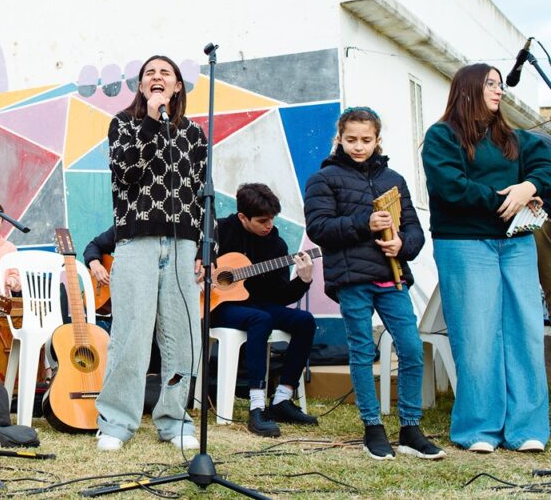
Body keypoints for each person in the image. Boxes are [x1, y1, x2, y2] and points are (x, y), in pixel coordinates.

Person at [422, 64, 551, 454]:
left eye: (499, 85)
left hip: (516, 244)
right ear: (469, 89)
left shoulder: (515, 139)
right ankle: (478, 429)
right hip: (464, 243)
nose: (499, 91)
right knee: (477, 333)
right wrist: (507, 199)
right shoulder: (442, 136)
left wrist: (529, 184)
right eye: (491, 84)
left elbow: (546, 166)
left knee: (525, 330)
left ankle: (527, 428)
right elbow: (450, 188)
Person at [304, 107, 444, 461]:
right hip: (352, 279)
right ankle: (372, 427)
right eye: (351, 140)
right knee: (362, 351)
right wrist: (363, 222)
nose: (358, 146)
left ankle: (411, 429)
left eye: (366, 140)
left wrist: (403, 245)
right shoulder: (324, 179)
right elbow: (318, 228)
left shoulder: (394, 179)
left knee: (411, 350)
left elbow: (414, 230)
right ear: (339, 138)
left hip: (392, 277)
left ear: (378, 140)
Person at [95, 55, 206, 452]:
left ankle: (175, 419)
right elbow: (126, 170)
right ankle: (116, 421)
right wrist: (151, 122)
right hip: (135, 241)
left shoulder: (195, 135)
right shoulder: (123, 125)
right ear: (141, 86)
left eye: (166, 74)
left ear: (178, 86)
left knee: (181, 337)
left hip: (182, 244)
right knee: (131, 334)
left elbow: (202, 193)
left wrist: (205, 246)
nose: (157, 78)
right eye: (149, 74)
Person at [213, 183, 317, 437]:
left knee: (304, 321)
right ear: (242, 217)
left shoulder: (276, 246)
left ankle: (281, 399)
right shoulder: (219, 232)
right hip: (219, 306)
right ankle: (256, 405)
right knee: (261, 319)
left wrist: (302, 280)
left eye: (271, 219)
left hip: (260, 306)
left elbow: (280, 297)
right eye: (261, 220)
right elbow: (193, 264)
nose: (268, 225)